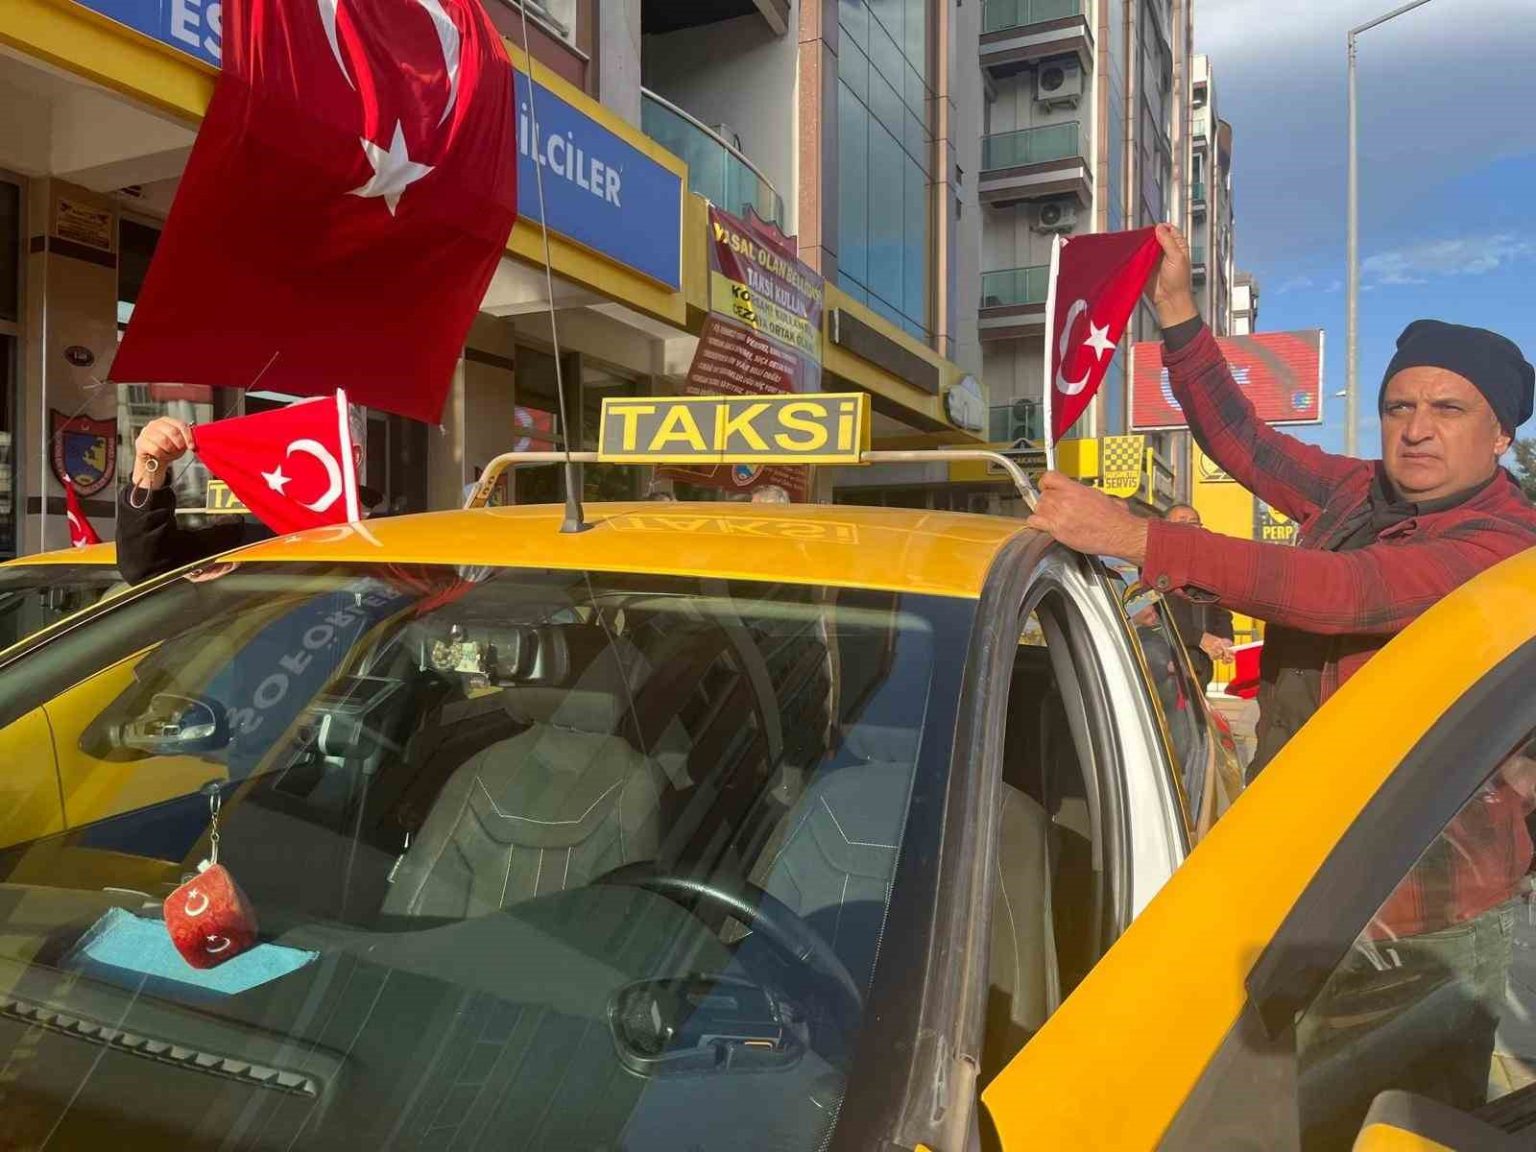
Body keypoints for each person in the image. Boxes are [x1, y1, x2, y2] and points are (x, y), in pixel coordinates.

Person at [1026, 223, 1536, 781]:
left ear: (1500, 436)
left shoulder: (1506, 541)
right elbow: (1242, 440)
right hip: (1286, 787)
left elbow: (1344, 590)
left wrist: (1133, 537)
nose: (1416, 430)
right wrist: (1175, 306)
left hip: (1399, 825)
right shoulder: (1360, 487)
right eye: (1398, 408)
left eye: (1448, 410)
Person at [119, 415, 383, 585]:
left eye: (307, 443)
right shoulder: (251, 536)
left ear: (353, 456)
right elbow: (144, 566)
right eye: (279, 445)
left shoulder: (393, 538)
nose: (288, 462)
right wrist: (149, 466)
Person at [1159, 503, 1235, 688]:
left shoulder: (1210, 567)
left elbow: (1221, 610)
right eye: (1182, 522)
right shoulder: (1154, 564)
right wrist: (1199, 638)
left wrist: (1225, 639)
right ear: (1165, 527)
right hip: (1166, 661)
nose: (1189, 527)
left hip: (1201, 665)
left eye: (1194, 522)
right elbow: (1153, 614)